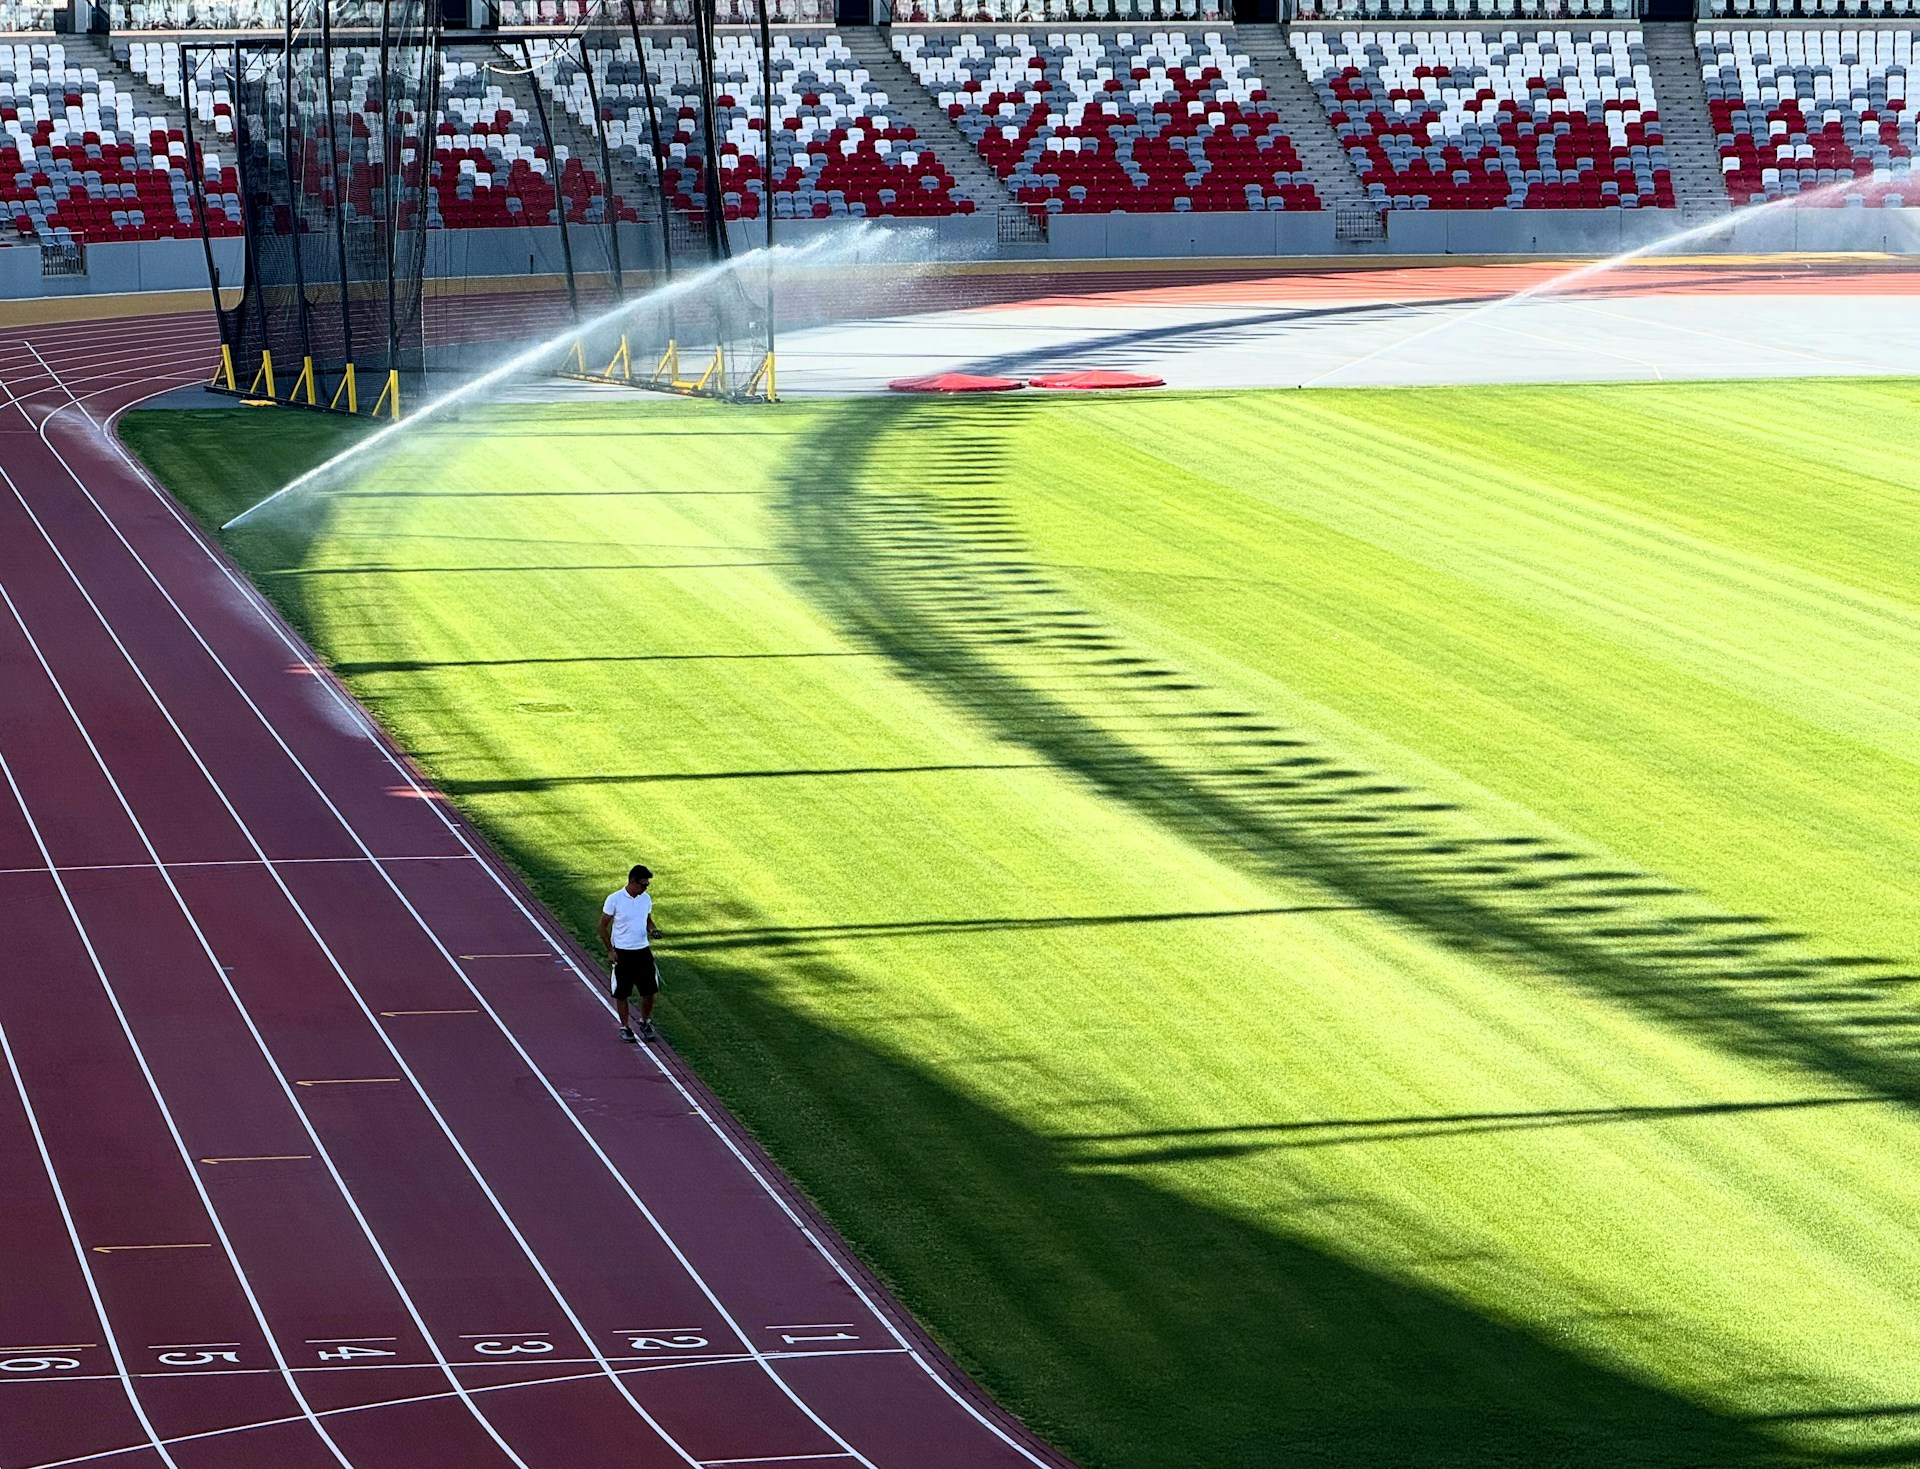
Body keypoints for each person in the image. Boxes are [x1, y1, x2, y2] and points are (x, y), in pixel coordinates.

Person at [599, 864, 662, 1043]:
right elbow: (602, 926)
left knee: (649, 990)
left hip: (642, 950)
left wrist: (653, 930)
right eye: (643, 884)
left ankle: (645, 1021)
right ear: (632, 882)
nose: (645, 888)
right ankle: (625, 1027)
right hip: (623, 952)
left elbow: (647, 920)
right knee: (622, 992)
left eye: (647, 885)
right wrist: (610, 950)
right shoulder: (615, 899)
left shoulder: (646, 899)